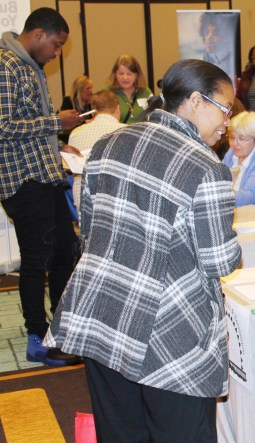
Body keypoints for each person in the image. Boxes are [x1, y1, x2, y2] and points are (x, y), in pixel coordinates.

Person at [44, 59, 242, 441]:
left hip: (103, 316)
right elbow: (219, 260)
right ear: (196, 102)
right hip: (169, 330)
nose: (226, 123)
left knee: (120, 432)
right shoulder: (205, 166)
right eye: (225, 109)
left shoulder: (108, 143)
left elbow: (89, 228)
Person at [0, 7, 84, 366]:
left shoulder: (29, 67)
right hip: (23, 180)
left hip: (45, 174)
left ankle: (60, 330)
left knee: (66, 251)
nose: (57, 52)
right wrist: (55, 122)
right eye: (56, 44)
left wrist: (58, 143)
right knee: (36, 259)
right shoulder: (6, 66)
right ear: (37, 35)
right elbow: (3, 126)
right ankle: (37, 335)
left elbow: (27, 124)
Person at [68, 90, 126, 209]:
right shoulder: (127, 132)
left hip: (83, 194)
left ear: (94, 111)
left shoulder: (76, 133)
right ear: (117, 109)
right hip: (116, 194)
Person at [106, 54, 153, 124]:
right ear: (115, 74)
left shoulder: (145, 92)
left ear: (137, 75)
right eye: (121, 74)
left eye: (129, 74)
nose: (125, 78)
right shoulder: (107, 93)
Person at [59, 74, 93, 142]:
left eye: (91, 88)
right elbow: (66, 124)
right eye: (88, 88)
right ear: (79, 89)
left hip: (85, 137)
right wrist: (85, 122)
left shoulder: (90, 104)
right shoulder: (68, 101)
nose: (91, 91)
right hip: (70, 137)